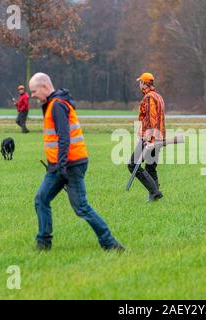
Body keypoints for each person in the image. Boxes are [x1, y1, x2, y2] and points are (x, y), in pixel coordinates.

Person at [29, 72, 124, 251]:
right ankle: (43, 243)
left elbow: (64, 137)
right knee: (41, 199)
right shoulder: (52, 103)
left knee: (81, 207)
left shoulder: (57, 105)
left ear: (44, 86)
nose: (32, 96)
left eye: (34, 91)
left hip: (70, 164)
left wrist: (62, 166)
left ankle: (110, 243)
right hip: (59, 165)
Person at [128, 72, 165, 202]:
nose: (139, 84)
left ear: (144, 83)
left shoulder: (149, 98)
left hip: (150, 137)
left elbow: (152, 119)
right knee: (150, 167)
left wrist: (151, 140)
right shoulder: (158, 96)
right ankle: (155, 195)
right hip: (159, 137)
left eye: (140, 82)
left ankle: (155, 192)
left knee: (132, 165)